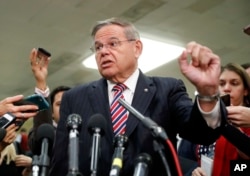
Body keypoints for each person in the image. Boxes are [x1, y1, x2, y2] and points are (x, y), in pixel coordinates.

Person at [49, 17, 228, 176]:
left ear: (137, 48)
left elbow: (202, 134)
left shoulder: (167, 89)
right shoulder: (75, 97)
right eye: (98, 47)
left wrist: (207, 93)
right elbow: (61, 162)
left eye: (112, 44)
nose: (103, 52)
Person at [179, 63, 250, 176]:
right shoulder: (203, 121)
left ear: (245, 90)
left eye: (234, 83)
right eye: (221, 84)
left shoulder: (248, 121)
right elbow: (183, 160)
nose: (227, 88)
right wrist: (193, 171)